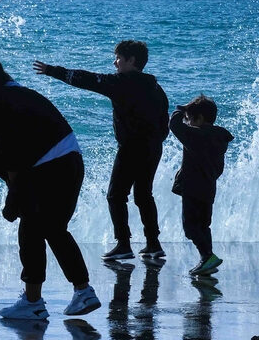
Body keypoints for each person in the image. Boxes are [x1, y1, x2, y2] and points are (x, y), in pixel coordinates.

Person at [0, 54, 101, 320]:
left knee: (32, 230)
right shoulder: (15, 94)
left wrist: (13, 197)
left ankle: (34, 302)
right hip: (68, 162)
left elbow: (12, 154)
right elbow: (12, 136)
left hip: (51, 168)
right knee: (52, 230)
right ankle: (81, 291)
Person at [33, 40, 169, 261]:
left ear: (131, 60)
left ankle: (124, 244)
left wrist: (51, 71)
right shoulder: (155, 86)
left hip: (132, 147)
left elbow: (86, 79)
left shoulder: (121, 83)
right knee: (144, 195)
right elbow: (165, 119)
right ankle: (153, 244)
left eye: (118, 58)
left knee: (116, 195)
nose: (115, 63)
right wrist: (156, 140)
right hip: (153, 147)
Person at [168, 95, 233, 276]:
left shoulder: (196, 136)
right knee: (204, 225)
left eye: (190, 119)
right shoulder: (219, 137)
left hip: (193, 187)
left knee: (190, 228)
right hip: (209, 187)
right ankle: (207, 259)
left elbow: (174, 125)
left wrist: (182, 109)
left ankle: (207, 256)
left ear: (201, 118)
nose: (188, 123)